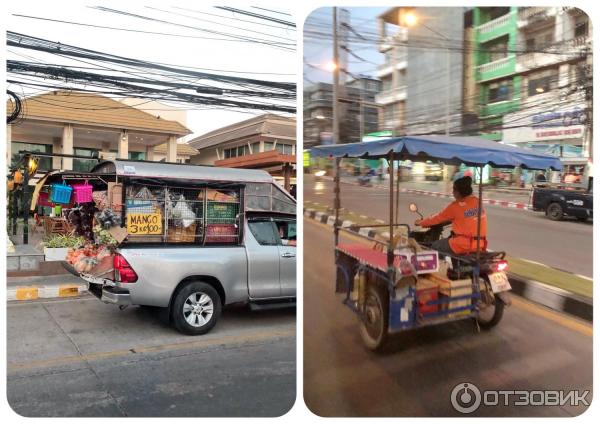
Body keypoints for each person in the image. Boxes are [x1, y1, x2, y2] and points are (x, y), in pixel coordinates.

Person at [414, 176, 487, 256]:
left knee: (435, 246)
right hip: (480, 244)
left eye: (453, 190)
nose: (452, 192)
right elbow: (467, 218)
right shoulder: (477, 201)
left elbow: (436, 218)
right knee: (449, 241)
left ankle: (442, 267)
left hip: (463, 245)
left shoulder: (455, 207)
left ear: (458, 192)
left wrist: (421, 222)